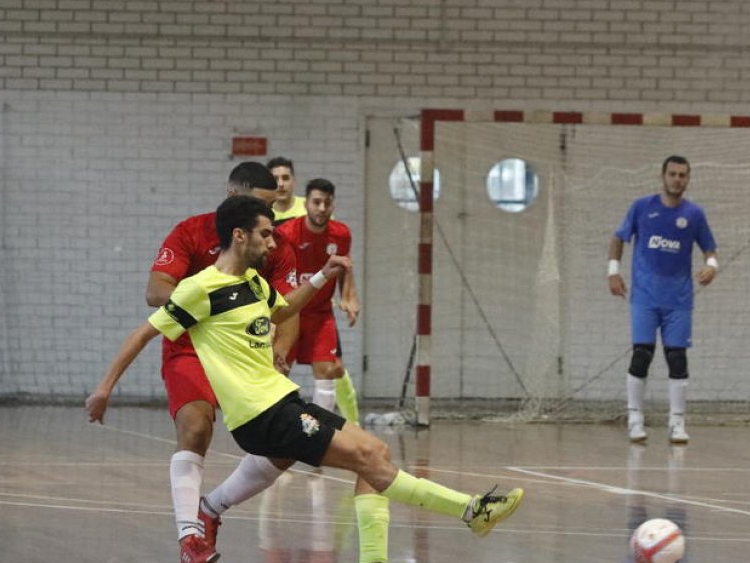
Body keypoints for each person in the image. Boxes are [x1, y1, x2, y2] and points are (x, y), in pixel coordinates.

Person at [92, 196, 524, 563]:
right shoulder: (200, 289)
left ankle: (377, 551)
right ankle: (472, 511)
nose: (272, 241)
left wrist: (323, 275)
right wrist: (104, 388)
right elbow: (144, 332)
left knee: (375, 453)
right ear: (239, 236)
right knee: (370, 456)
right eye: (265, 233)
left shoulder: (254, 284)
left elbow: (282, 310)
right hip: (261, 415)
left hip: (283, 401)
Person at [87, 162, 299, 563]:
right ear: (235, 198)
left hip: (246, 353)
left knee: (287, 443)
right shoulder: (191, 232)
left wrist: (281, 350)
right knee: (196, 426)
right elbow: (155, 291)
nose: (270, 219)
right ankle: (190, 540)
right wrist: (209, 300)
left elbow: (287, 309)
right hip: (190, 345)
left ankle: (212, 508)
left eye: (274, 209)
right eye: (261, 206)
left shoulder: (276, 243)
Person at [609, 155, 717, 444]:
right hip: (644, 297)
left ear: (688, 179)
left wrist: (712, 266)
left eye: (683, 175)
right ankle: (634, 420)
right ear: (663, 176)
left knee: (677, 359)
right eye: (673, 174)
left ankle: (677, 424)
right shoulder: (642, 207)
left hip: (678, 301)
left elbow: (710, 248)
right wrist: (613, 272)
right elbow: (619, 237)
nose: (677, 179)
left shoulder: (694, 214)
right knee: (642, 354)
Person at [276, 178, 362, 427]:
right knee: (279, 370)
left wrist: (349, 295)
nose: (322, 208)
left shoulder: (341, 234)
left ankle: (318, 433)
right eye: (316, 202)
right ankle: (279, 430)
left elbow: (345, 267)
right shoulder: (286, 234)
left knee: (328, 370)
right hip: (289, 312)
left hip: (321, 313)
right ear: (306, 204)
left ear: (333, 204)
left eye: (327, 202)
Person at [266, 157, 307, 225]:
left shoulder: (309, 207)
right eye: (275, 179)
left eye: (285, 178)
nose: (280, 184)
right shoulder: (262, 213)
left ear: (293, 181)